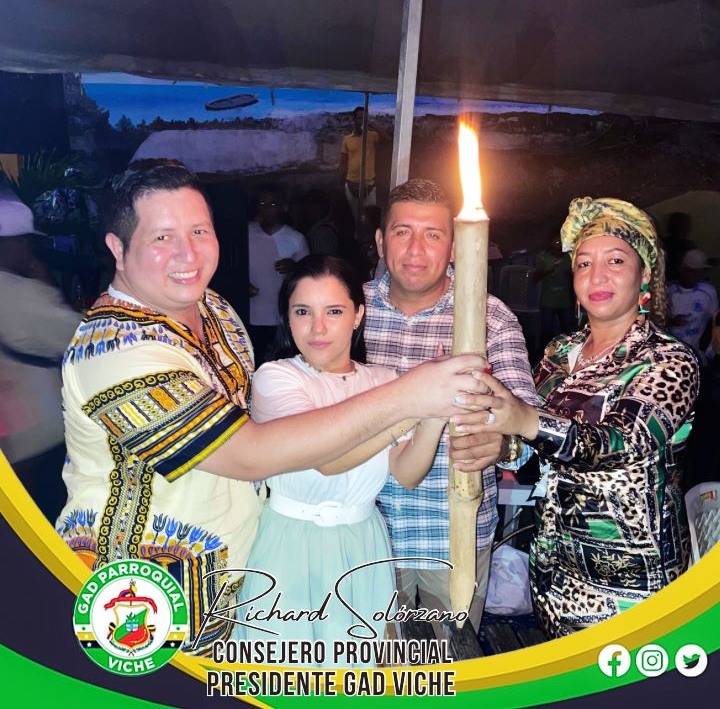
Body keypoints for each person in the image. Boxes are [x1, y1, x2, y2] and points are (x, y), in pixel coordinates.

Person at [56, 164, 489, 655]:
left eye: (199, 231)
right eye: (162, 237)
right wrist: (408, 398)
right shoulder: (115, 350)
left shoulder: (214, 310)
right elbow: (251, 454)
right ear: (118, 248)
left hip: (236, 578)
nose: (188, 253)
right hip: (142, 594)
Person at [463, 197, 700, 638]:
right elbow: (535, 446)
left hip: (630, 582)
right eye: (584, 263)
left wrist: (523, 419)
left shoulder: (668, 360)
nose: (597, 275)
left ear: (645, 274)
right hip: (553, 567)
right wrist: (500, 444)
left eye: (616, 261)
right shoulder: (560, 352)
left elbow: (620, 443)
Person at [234, 255, 453, 657]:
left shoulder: (383, 381)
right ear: (287, 318)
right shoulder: (276, 378)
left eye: (334, 311)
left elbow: (406, 473)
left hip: (363, 542)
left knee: (356, 666)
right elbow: (325, 460)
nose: (318, 328)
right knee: (284, 666)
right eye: (303, 312)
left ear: (358, 316)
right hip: (290, 542)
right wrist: (414, 404)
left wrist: (435, 415)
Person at [364, 179, 538, 638]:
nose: (415, 249)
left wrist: (501, 445)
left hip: (455, 537)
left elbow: (525, 427)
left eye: (433, 235)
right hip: (366, 535)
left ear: (457, 247)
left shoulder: (489, 317)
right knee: (375, 664)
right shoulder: (349, 311)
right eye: (402, 232)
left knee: (453, 665)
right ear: (381, 241)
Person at [0, 192, 80, 522]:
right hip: (38, 435)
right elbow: (79, 338)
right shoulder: (24, 294)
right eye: (25, 243)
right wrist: (49, 287)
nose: (29, 252)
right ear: (10, 244)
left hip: (10, 436)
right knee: (51, 518)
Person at [247, 185, 309, 363]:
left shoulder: (295, 239)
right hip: (249, 315)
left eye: (272, 204)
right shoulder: (246, 232)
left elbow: (309, 277)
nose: (267, 209)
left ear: (283, 207)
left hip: (280, 317)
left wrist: (294, 267)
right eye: (262, 204)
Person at [339, 107, 389, 222]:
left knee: (371, 217)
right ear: (354, 119)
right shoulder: (347, 139)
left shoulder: (371, 136)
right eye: (359, 118)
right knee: (355, 217)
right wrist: (340, 181)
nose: (361, 120)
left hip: (368, 183)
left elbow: (387, 138)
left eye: (363, 118)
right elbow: (343, 162)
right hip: (351, 182)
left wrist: (371, 123)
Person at [668, 248, 718, 358]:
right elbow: (654, 321)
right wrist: (671, 322)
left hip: (696, 353)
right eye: (692, 271)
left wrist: (709, 350)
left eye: (701, 271)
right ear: (682, 270)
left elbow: (715, 321)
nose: (697, 275)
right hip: (669, 352)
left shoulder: (709, 292)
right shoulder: (668, 291)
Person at [534, 235, 575, 348]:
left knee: (568, 331)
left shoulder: (569, 257)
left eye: (562, 241)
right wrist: (548, 269)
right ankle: (544, 354)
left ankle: (567, 353)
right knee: (547, 332)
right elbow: (535, 278)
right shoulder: (543, 257)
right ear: (550, 242)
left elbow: (574, 277)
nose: (559, 244)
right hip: (548, 301)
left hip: (565, 301)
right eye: (556, 241)